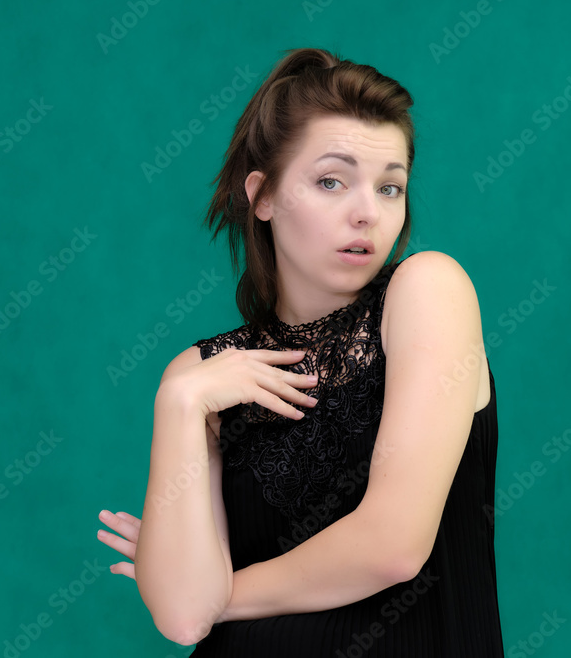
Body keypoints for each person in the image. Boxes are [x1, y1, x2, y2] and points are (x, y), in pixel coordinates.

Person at [97, 46, 504, 656]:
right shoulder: (201, 374)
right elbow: (182, 623)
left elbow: (392, 547)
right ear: (262, 197)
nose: (367, 213)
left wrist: (211, 591)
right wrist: (179, 403)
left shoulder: (428, 290)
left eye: (391, 187)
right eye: (331, 181)